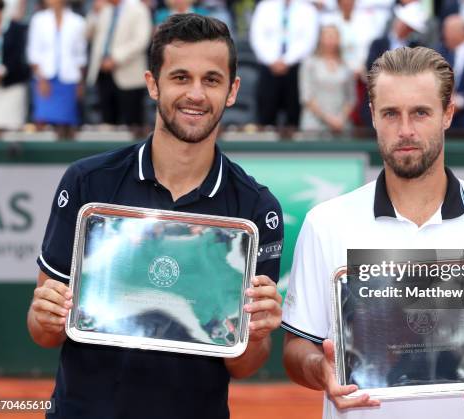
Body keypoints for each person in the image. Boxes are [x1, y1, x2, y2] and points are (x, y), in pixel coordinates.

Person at [27, 14, 284, 419]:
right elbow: (43, 331)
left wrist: (256, 334)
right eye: (180, 77)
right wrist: (45, 314)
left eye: (212, 80)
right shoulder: (86, 182)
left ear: (232, 90)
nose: (195, 94)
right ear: (153, 84)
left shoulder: (257, 209)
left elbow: (246, 364)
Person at [282, 46, 464, 419]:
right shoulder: (325, 223)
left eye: (421, 113)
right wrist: (322, 370)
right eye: (391, 114)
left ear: (447, 114)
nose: (406, 130)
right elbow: (298, 347)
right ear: (373, 117)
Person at [85, 0, 152, 136]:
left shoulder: (138, 8)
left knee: (132, 125)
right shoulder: (104, 10)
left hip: (128, 75)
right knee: (107, 124)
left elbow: (141, 40)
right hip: (104, 73)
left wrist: (115, 58)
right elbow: (88, 35)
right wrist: (94, 13)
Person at [249, 0, 319, 129]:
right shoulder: (264, 7)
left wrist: (286, 61)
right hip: (268, 67)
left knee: (294, 116)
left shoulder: (308, 9)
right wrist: (272, 61)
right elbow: (257, 37)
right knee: (266, 114)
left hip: (296, 69)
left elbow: (308, 40)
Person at [26, 0, 87, 139]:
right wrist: (41, 79)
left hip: (69, 78)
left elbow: (80, 55)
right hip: (45, 77)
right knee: (42, 120)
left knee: (66, 124)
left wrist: (80, 82)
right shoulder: (38, 20)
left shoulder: (78, 22)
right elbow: (33, 52)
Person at [299, 24, 355, 135]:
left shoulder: (345, 65)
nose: (331, 40)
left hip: (341, 126)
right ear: (320, 39)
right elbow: (307, 97)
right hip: (314, 125)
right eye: (327, 36)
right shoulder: (309, 63)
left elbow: (351, 98)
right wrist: (329, 119)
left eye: (334, 36)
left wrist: (341, 119)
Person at [0, 0, 30, 138]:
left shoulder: (16, 28)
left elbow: (19, 55)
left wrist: (2, 71)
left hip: (11, 84)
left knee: (11, 128)